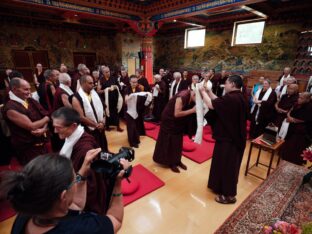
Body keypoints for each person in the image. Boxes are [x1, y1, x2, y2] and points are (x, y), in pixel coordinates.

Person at [1, 148, 129, 233]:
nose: (76, 180)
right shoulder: (84, 229)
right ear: (63, 196)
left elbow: (76, 206)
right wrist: (117, 183)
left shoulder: (29, 209)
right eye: (74, 179)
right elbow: (116, 220)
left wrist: (82, 173)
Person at [200, 75, 248, 204]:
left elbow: (211, 105)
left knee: (228, 166)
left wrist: (203, 92)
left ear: (232, 84)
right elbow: (219, 102)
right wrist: (209, 91)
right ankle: (218, 186)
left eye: (226, 83)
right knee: (222, 164)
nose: (224, 85)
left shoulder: (232, 98)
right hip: (231, 136)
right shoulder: (238, 96)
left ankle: (229, 195)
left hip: (230, 139)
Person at [4, 78, 50, 165]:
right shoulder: (10, 107)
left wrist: (44, 129)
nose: (29, 92)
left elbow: (45, 114)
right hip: (27, 149)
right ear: (14, 89)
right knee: (36, 174)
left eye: (29, 89)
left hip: (41, 143)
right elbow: (32, 126)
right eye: (25, 89)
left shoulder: (29, 100)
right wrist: (47, 118)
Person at [153, 90, 196, 173]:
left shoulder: (191, 95)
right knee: (170, 142)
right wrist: (192, 111)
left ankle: (177, 161)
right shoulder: (182, 97)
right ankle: (170, 163)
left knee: (178, 141)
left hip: (178, 122)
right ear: (194, 94)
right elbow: (176, 114)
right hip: (169, 120)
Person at [72, 75, 108, 152]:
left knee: (103, 145)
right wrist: (96, 125)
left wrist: (102, 123)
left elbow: (103, 109)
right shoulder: (76, 98)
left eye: (93, 83)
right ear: (82, 84)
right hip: (89, 130)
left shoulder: (95, 94)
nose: (93, 85)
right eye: (90, 83)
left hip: (100, 126)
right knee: (94, 149)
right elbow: (81, 117)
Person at [279, 92, 312, 165]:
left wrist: (292, 120)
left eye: (301, 98)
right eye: (299, 97)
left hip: (302, 132)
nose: (299, 99)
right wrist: (289, 117)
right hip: (292, 129)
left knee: (295, 150)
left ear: (307, 99)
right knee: (287, 147)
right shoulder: (297, 104)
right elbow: (290, 112)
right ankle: (285, 160)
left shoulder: (309, 107)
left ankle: (294, 163)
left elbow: (306, 119)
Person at [124, 75, 152, 148]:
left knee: (136, 126)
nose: (134, 84)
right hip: (129, 111)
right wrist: (130, 96)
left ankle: (136, 140)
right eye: (133, 82)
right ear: (130, 82)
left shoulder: (139, 89)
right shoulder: (127, 89)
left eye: (136, 82)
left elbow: (141, 99)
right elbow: (126, 100)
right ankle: (131, 142)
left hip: (137, 110)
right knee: (131, 127)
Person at [97, 66, 123, 132]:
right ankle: (107, 126)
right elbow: (98, 91)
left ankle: (118, 126)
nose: (108, 73)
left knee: (116, 112)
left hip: (114, 98)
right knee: (107, 112)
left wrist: (115, 87)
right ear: (103, 73)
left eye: (109, 71)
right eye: (106, 72)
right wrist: (106, 90)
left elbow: (119, 87)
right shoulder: (101, 80)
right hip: (106, 99)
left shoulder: (113, 78)